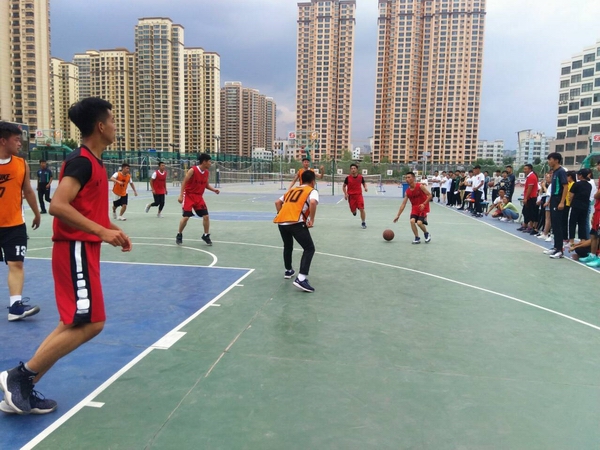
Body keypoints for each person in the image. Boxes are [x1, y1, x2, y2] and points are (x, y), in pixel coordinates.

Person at [0, 97, 132, 415]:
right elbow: (59, 205)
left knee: (72, 322)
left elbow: (89, 210)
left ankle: (22, 389)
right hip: (75, 249)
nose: (115, 126)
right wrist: (101, 232)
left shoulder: (95, 163)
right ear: (100, 126)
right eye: (112, 120)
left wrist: (111, 229)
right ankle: (18, 376)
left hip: (83, 249)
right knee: (92, 323)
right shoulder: (82, 161)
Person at [0, 122, 41, 322]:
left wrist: (37, 213)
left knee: (16, 263)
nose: (19, 144)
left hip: (14, 224)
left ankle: (15, 307)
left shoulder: (21, 164)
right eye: (16, 140)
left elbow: (28, 191)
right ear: (3, 141)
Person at [274, 169, 319, 293]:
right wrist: (312, 219)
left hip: (281, 222)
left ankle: (288, 270)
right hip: (295, 222)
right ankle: (301, 278)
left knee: (288, 246)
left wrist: (282, 214)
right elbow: (313, 202)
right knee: (309, 248)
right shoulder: (312, 191)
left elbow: (277, 202)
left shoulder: (292, 190)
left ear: (301, 180)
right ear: (313, 181)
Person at [176, 153, 220, 246]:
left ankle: (206, 235)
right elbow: (184, 182)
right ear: (204, 162)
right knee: (186, 217)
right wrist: (181, 195)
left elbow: (206, 185)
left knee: (206, 216)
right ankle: (179, 234)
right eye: (209, 161)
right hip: (188, 195)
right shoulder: (193, 170)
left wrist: (214, 190)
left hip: (199, 197)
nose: (210, 163)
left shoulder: (206, 172)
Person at [393, 171, 432, 244]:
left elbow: (430, 195)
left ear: (413, 178)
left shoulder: (420, 186)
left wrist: (424, 204)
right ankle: (417, 237)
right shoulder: (407, 192)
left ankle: (426, 234)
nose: (407, 179)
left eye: (409, 177)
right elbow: (403, 204)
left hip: (423, 207)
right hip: (414, 208)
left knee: (419, 223)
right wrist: (398, 215)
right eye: (406, 178)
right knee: (412, 221)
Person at [544, 152, 568, 259]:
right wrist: (550, 201)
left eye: (550, 159)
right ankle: (556, 247)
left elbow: (565, 186)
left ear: (556, 160)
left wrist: (562, 202)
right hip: (554, 199)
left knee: (558, 225)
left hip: (558, 199)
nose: (549, 161)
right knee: (554, 224)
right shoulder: (554, 172)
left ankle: (560, 250)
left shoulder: (561, 171)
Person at [567, 170, 592, 249]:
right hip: (585, 206)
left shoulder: (576, 184)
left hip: (576, 206)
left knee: (572, 223)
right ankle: (582, 240)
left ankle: (571, 241)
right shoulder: (589, 185)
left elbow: (571, 196)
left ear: (581, 175)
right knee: (582, 223)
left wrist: (571, 203)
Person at [343, 163, 368, 229]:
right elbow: (344, 186)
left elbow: (364, 183)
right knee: (353, 212)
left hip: (359, 195)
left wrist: (365, 187)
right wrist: (345, 194)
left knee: (361, 209)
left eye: (354, 168)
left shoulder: (360, 177)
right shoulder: (347, 178)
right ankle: (354, 211)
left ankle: (363, 222)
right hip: (351, 197)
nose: (353, 170)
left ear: (357, 169)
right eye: (352, 169)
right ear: (350, 170)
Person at [518, 164, 539, 233]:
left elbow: (530, 189)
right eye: (524, 169)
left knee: (530, 212)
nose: (524, 170)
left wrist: (526, 198)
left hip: (531, 197)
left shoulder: (532, 176)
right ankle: (525, 225)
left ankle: (530, 226)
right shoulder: (529, 176)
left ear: (530, 169)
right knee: (525, 211)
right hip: (529, 197)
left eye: (525, 169)